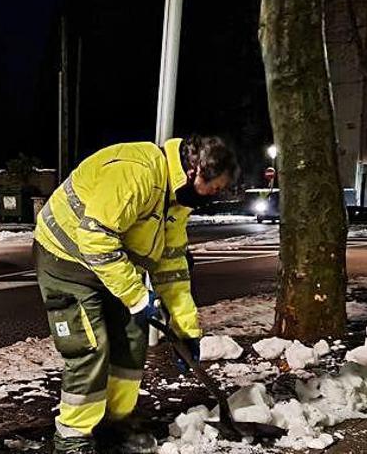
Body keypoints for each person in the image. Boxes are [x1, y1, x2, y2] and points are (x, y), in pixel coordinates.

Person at [34, 136, 238, 453]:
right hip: (66, 259)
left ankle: (116, 419)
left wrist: (186, 329)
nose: (211, 198)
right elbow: (95, 239)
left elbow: (171, 265)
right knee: (90, 345)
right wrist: (135, 296)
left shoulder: (176, 200)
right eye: (212, 190)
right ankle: (73, 434)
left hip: (113, 266)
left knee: (132, 338)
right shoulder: (137, 173)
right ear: (194, 169)